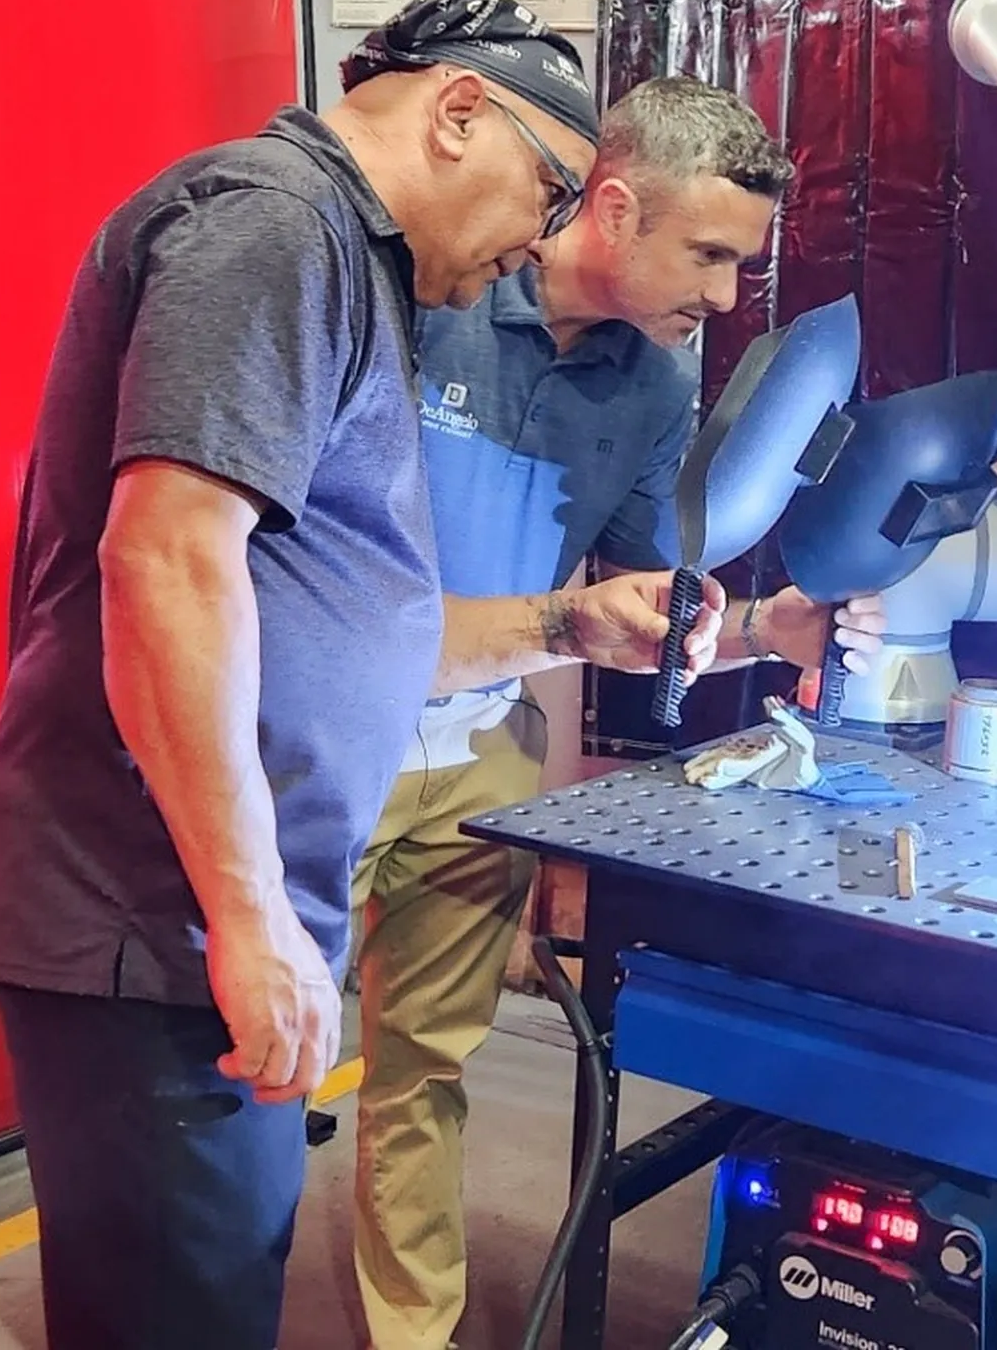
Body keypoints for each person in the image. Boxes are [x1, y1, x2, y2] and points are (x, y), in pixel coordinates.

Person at [0, 0, 723, 1350]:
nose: (539, 239)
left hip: (207, 914)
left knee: (210, 1288)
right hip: (155, 914)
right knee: (174, 1311)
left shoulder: (350, 264)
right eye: (549, 191)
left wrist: (567, 627)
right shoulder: (275, 223)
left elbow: (346, 618)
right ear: (459, 112)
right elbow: (168, 560)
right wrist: (250, 918)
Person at [350, 75, 882, 1350]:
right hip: (320, 743)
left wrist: (760, 629)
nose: (724, 296)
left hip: (482, 762)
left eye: (738, 263)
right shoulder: (428, 292)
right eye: (706, 254)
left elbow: (640, 600)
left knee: (422, 1078)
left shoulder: (656, 380)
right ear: (614, 205)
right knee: (241, 1067)